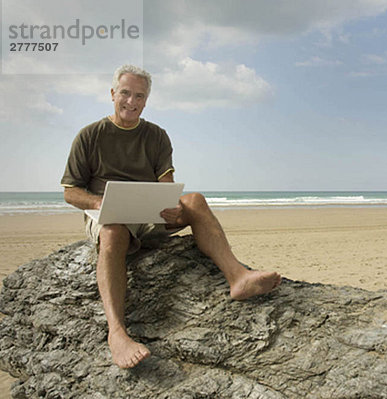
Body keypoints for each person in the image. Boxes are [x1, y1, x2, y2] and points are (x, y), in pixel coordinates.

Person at [61, 65, 282, 369]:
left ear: (146, 100)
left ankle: (238, 277)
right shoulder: (90, 135)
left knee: (195, 200)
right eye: (125, 93)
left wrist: (174, 208)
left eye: (139, 96)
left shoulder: (156, 136)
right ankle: (117, 333)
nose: (131, 101)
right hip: (108, 214)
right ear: (113, 94)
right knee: (113, 230)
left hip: (149, 214)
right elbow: (70, 191)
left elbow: (166, 186)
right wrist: (100, 202)